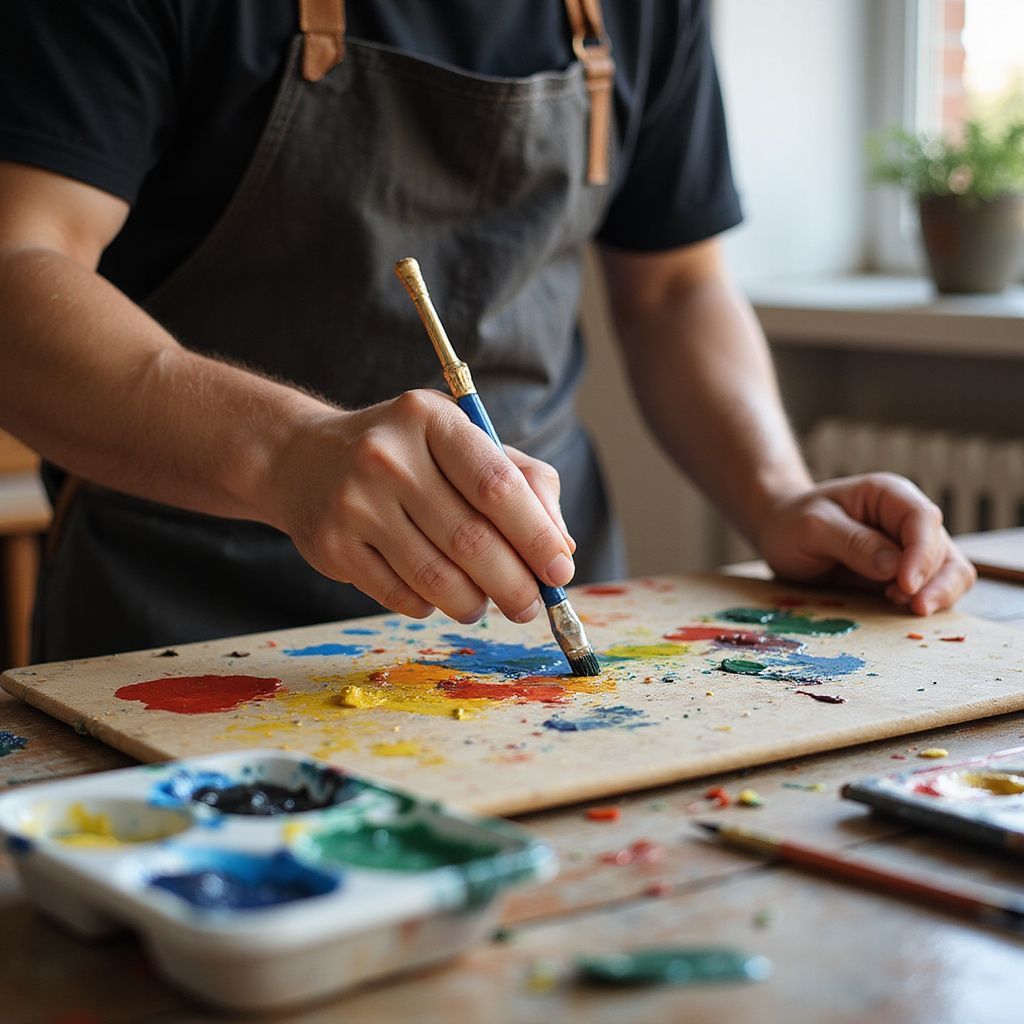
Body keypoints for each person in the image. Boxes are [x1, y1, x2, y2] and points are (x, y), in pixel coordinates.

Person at [0, 0, 975, 663]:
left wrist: (778, 495)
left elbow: (676, 286)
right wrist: (290, 454)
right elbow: (17, 268)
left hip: (536, 630)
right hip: (180, 627)